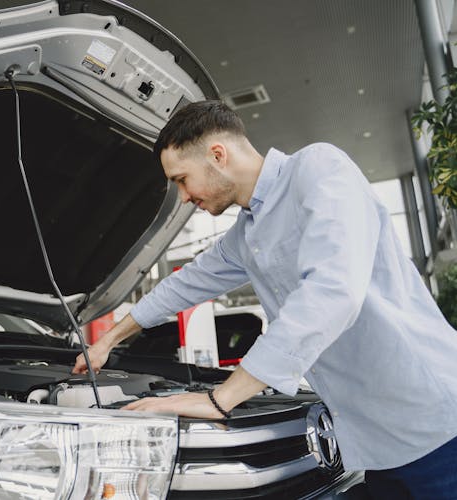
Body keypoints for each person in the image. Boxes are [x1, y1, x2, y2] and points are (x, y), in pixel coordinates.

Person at [72, 100, 457, 498]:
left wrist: (219, 400)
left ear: (217, 155)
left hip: (435, 429)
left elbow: (332, 294)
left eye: (182, 179)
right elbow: (185, 284)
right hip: (375, 444)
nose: (183, 197)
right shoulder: (246, 233)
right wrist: (108, 340)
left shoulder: (319, 169)